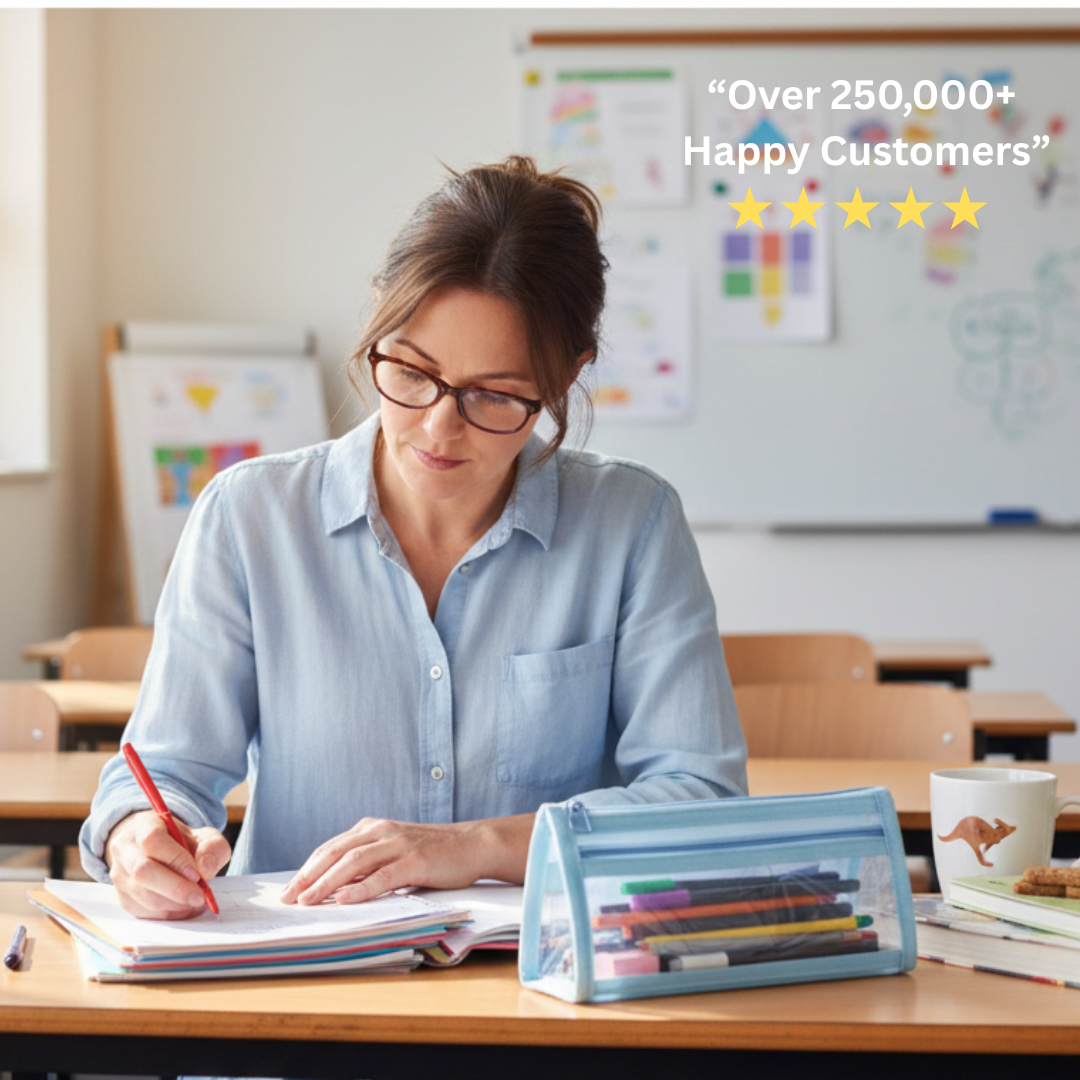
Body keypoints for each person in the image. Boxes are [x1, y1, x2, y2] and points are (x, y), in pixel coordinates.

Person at [80, 156, 748, 920]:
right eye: (412, 369)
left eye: (493, 394)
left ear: (566, 378)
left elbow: (701, 802)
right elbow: (161, 769)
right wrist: (140, 834)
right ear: (380, 318)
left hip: (546, 983)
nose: (438, 427)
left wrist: (476, 846)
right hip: (302, 977)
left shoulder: (633, 525)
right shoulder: (248, 517)